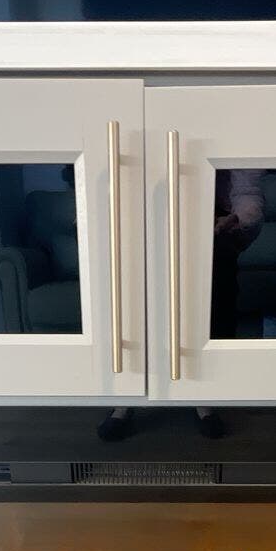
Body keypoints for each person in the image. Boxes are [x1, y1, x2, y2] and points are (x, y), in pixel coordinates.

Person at [97, 170, 265, 442]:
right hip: (142, 216)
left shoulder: (230, 146)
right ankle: (124, 400)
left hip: (210, 225)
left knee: (214, 303)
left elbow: (247, 190)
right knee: (134, 305)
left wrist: (239, 219)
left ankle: (203, 400)